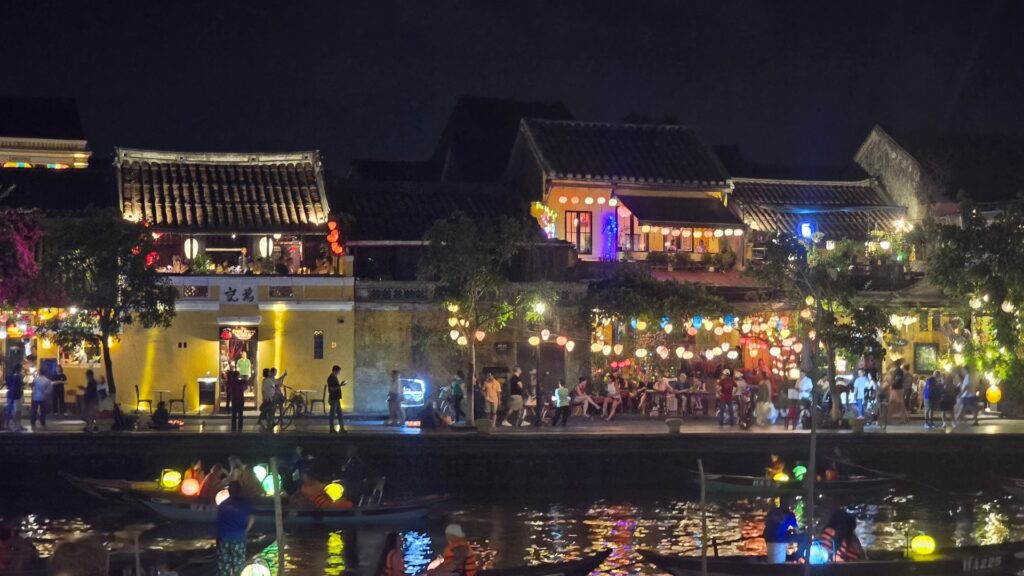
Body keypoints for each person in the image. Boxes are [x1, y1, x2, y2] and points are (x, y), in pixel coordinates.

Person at [216, 481, 254, 576]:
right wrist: (245, 531)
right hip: (238, 537)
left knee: (224, 567)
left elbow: (219, 522)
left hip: (224, 537)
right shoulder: (245, 504)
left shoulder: (223, 504)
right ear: (240, 491)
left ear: (229, 491)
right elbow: (252, 518)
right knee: (238, 566)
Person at [763, 498, 799, 563]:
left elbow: (765, 523)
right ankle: (798, 557)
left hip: (768, 538)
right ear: (788, 504)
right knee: (804, 538)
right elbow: (796, 529)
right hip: (780, 539)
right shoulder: (789, 514)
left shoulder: (772, 512)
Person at [327, 365, 347, 433]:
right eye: (338, 372)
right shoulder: (331, 379)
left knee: (340, 413)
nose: (338, 373)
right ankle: (331, 428)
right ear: (335, 371)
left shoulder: (334, 378)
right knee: (332, 414)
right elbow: (332, 389)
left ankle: (342, 428)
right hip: (333, 398)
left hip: (336, 398)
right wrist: (340, 385)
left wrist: (340, 385)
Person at [3, 367, 24, 432]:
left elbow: (6, 384)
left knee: (13, 410)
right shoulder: (18, 377)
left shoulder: (9, 376)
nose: (22, 371)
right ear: (19, 370)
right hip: (16, 396)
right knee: (17, 411)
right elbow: (20, 386)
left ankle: (15, 425)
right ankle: (13, 425)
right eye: (22, 369)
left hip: (11, 395)